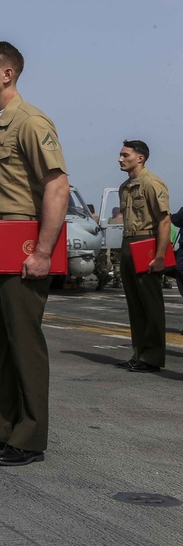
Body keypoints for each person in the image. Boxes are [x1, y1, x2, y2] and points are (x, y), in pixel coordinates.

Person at [0, 41, 69, 467]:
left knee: (24, 340)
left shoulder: (30, 121)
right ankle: (5, 427)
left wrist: (43, 251)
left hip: (22, 239)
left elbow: (57, 186)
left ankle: (30, 437)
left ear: (7, 74)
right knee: (2, 340)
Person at [114, 140, 170, 373]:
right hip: (128, 242)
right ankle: (139, 354)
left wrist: (159, 257)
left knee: (151, 304)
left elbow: (164, 221)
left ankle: (153, 357)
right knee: (135, 304)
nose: (120, 158)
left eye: (125, 155)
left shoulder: (151, 183)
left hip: (146, 243)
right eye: (120, 154)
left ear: (140, 158)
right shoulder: (125, 187)